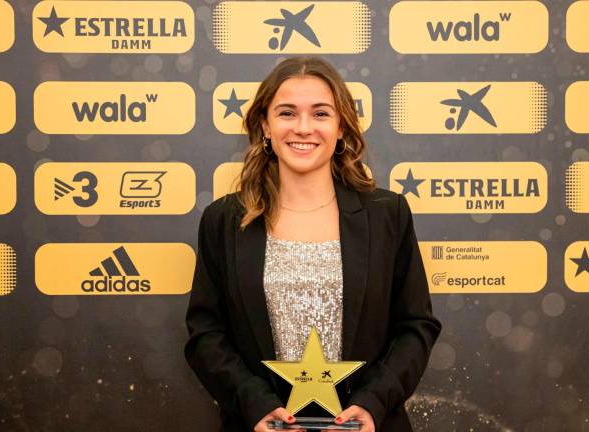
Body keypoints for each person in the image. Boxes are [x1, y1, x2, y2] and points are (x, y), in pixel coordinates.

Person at [184, 56, 441, 432]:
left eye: (321, 114)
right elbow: (206, 333)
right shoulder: (224, 220)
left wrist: (372, 404)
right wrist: (254, 404)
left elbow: (416, 325)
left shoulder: (387, 214)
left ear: (341, 128)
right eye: (287, 113)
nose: (304, 128)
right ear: (264, 126)